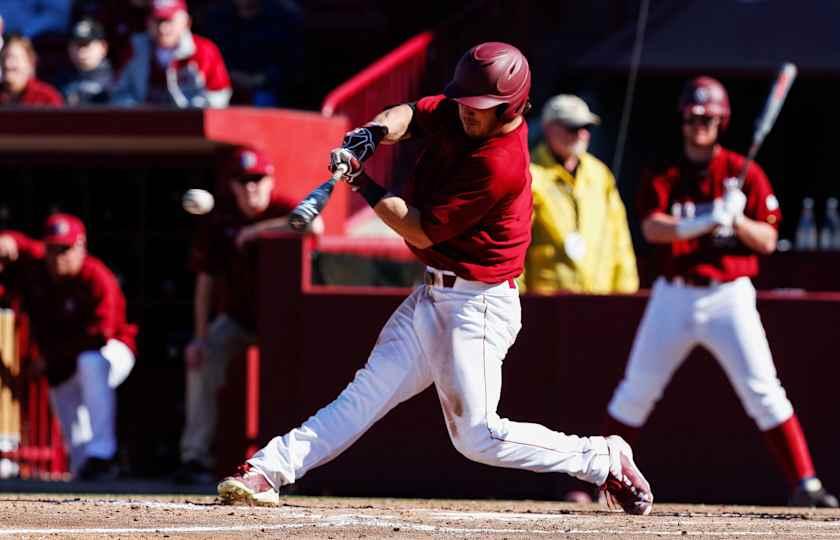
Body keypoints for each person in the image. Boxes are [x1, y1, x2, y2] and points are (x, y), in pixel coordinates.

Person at [216, 42, 654, 515]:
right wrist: (372, 132)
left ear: (509, 107)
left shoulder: (499, 163)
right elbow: (411, 112)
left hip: (479, 305)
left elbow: (418, 227)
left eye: (479, 106)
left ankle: (602, 458)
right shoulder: (464, 109)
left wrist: (362, 181)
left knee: (478, 437)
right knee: (363, 395)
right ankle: (267, 469)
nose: (466, 112)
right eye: (464, 101)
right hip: (433, 293)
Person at [604, 76, 838, 508]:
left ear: (722, 121)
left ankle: (805, 483)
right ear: (682, 120)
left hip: (729, 296)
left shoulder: (740, 171)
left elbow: (767, 240)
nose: (700, 125)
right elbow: (653, 227)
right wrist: (708, 218)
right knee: (636, 390)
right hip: (673, 294)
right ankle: (598, 480)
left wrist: (738, 219)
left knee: (765, 390)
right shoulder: (665, 170)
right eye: (693, 117)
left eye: (708, 118)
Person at [176, 145, 319, 484]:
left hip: (286, 321)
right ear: (233, 186)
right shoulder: (220, 219)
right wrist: (198, 337)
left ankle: (297, 463)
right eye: (243, 181)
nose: (251, 188)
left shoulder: (283, 206)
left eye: (257, 179)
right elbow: (204, 284)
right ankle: (194, 457)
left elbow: (316, 224)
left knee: (302, 376)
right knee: (201, 357)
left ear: (269, 180)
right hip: (239, 318)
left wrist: (257, 231)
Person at [0, 214, 138, 480]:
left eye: (65, 249)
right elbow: (19, 246)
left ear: (81, 246)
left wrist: (49, 359)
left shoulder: (97, 277)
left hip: (114, 351)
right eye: (52, 249)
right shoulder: (40, 267)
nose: (57, 257)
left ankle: (103, 454)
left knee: (91, 362)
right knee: (76, 444)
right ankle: (88, 467)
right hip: (62, 362)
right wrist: (8, 241)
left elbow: (100, 335)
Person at [524, 94, 638, 294]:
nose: (581, 134)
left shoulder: (600, 174)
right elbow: (514, 244)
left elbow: (620, 238)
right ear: (548, 128)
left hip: (600, 300)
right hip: (546, 305)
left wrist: (626, 293)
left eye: (586, 128)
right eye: (572, 127)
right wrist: (518, 298)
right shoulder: (530, 175)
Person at [111, 0, 231, 108]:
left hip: (191, 126)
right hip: (143, 125)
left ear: (186, 22)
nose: (163, 28)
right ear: (148, 22)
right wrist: (137, 110)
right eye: (157, 21)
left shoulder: (203, 50)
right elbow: (119, 92)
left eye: (169, 21)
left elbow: (219, 95)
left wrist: (191, 113)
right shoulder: (134, 48)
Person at [203, 0, 303, 107]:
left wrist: (261, 79)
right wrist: (232, 75)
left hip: (268, 87)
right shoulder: (217, 17)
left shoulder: (283, 15)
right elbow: (212, 58)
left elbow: (289, 61)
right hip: (227, 83)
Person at [57, 18, 113, 105]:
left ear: (103, 47)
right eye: (77, 45)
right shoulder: (60, 79)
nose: (81, 51)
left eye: (86, 44)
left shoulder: (118, 79)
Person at [0, 34, 64, 106]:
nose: (7, 64)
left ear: (30, 63)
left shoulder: (46, 97)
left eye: (14, 58)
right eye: (3, 58)